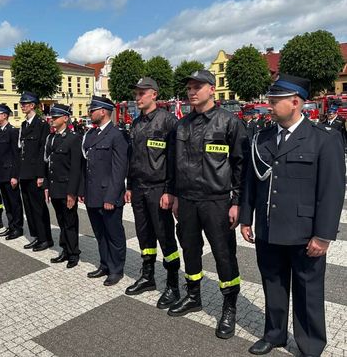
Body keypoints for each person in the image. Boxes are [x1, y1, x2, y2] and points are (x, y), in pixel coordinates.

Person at [239, 74, 345, 356]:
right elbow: (251, 181)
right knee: (273, 284)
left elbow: (332, 192)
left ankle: (310, 345)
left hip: (304, 232)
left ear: (296, 102)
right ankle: (274, 335)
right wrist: (246, 218)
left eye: (275, 101)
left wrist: (323, 236)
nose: (269, 106)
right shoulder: (261, 137)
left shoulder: (324, 139)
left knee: (307, 290)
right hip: (268, 228)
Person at [166, 70, 247, 340]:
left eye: (197, 86)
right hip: (187, 200)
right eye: (189, 87)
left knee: (224, 254)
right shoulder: (182, 125)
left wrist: (236, 202)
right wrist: (174, 195)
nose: (192, 91)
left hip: (217, 201)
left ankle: (229, 307)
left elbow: (240, 166)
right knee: (190, 249)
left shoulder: (229, 123)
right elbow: (174, 164)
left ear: (212, 89)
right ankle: (193, 296)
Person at [124, 77, 181, 309]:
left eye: (142, 93)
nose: (137, 97)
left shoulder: (168, 121)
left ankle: (173, 285)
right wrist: (129, 186)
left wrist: (170, 191)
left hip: (159, 189)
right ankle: (148, 277)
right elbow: (132, 157)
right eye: (136, 93)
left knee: (165, 237)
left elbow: (175, 160)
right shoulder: (136, 123)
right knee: (144, 235)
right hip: (139, 188)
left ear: (154, 94)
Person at [81, 96, 128, 286]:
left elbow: (119, 170)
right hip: (93, 194)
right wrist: (83, 191)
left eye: (92, 110)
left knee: (114, 234)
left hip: (109, 196)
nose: (89, 113)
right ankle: (105, 264)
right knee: (100, 234)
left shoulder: (117, 135)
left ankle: (116, 269)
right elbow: (86, 166)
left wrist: (111, 197)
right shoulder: (91, 134)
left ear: (103, 112)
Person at [44, 104, 83, 269]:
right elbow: (48, 165)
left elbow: (76, 169)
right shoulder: (52, 138)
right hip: (55, 188)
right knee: (61, 221)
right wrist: (47, 186)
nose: (52, 119)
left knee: (70, 222)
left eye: (55, 117)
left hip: (67, 189)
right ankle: (65, 250)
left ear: (65, 118)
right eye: (52, 117)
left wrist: (72, 193)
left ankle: (74, 253)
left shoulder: (73, 138)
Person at [18, 91, 53, 251]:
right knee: (29, 207)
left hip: (35, 174)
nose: (22, 106)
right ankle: (36, 236)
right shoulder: (24, 125)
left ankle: (45, 238)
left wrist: (41, 175)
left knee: (38, 208)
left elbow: (42, 151)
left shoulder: (42, 124)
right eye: (22, 104)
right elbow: (22, 150)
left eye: (24, 104)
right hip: (24, 173)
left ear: (32, 105)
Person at [0, 104, 24, 240]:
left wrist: (15, 176)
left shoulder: (12, 131)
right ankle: (11, 226)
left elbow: (16, 155)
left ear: (5, 115)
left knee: (14, 202)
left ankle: (17, 228)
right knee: (7, 202)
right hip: (1, 173)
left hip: (10, 173)